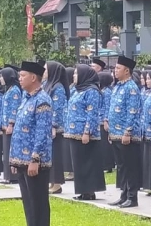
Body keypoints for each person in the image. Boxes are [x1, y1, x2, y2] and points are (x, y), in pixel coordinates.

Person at [10, 60, 55, 226]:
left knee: (38, 199)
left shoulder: (42, 100)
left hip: (35, 160)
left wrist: (35, 158)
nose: (19, 79)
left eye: (23, 76)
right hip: (21, 158)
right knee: (28, 200)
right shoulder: (26, 98)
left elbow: (42, 132)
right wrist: (14, 158)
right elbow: (20, 130)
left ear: (34, 77)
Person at [65, 64, 106, 200]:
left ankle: (89, 191)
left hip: (85, 133)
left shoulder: (92, 91)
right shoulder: (76, 90)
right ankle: (82, 190)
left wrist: (87, 131)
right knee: (78, 163)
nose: (74, 76)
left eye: (76, 73)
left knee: (87, 163)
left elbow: (92, 112)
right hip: (73, 132)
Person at [108, 55, 143, 208]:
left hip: (126, 135)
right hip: (115, 133)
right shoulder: (117, 86)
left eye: (118, 68)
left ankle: (132, 197)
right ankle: (123, 194)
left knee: (130, 166)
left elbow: (133, 111)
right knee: (121, 166)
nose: (115, 71)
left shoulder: (131, 88)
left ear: (127, 70)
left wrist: (128, 132)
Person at [45, 61, 71, 194]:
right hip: (48, 125)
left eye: (45, 69)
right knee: (50, 156)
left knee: (56, 155)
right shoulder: (49, 85)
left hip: (55, 127)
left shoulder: (58, 87)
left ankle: (57, 183)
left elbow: (58, 108)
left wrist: (54, 125)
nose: (43, 72)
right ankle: (52, 182)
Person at [1, 66, 23, 185]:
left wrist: (11, 123)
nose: (0, 78)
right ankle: (7, 176)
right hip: (5, 125)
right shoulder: (8, 89)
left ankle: (12, 177)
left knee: (10, 150)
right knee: (6, 150)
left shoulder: (14, 90)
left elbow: (14, 108)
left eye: (2, 76)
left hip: (11, 126)